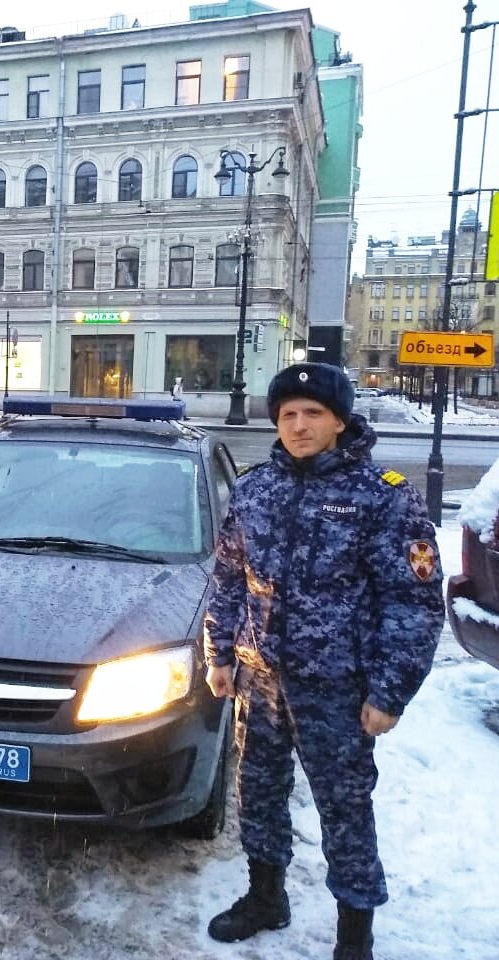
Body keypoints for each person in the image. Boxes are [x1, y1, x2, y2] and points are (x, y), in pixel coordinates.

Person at [203, 363, 444, 960]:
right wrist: (219, 654)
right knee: (258, 795)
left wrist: (389, 692)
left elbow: (413, 602)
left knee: (345, 810)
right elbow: (229, 579)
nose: (299, 425)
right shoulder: (256, 490)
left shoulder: (383, 496)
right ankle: (266, 897)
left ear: (339, 420)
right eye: (288, 414)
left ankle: (354, 939)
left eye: (313, 413)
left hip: (337, 690)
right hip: (260, 681)